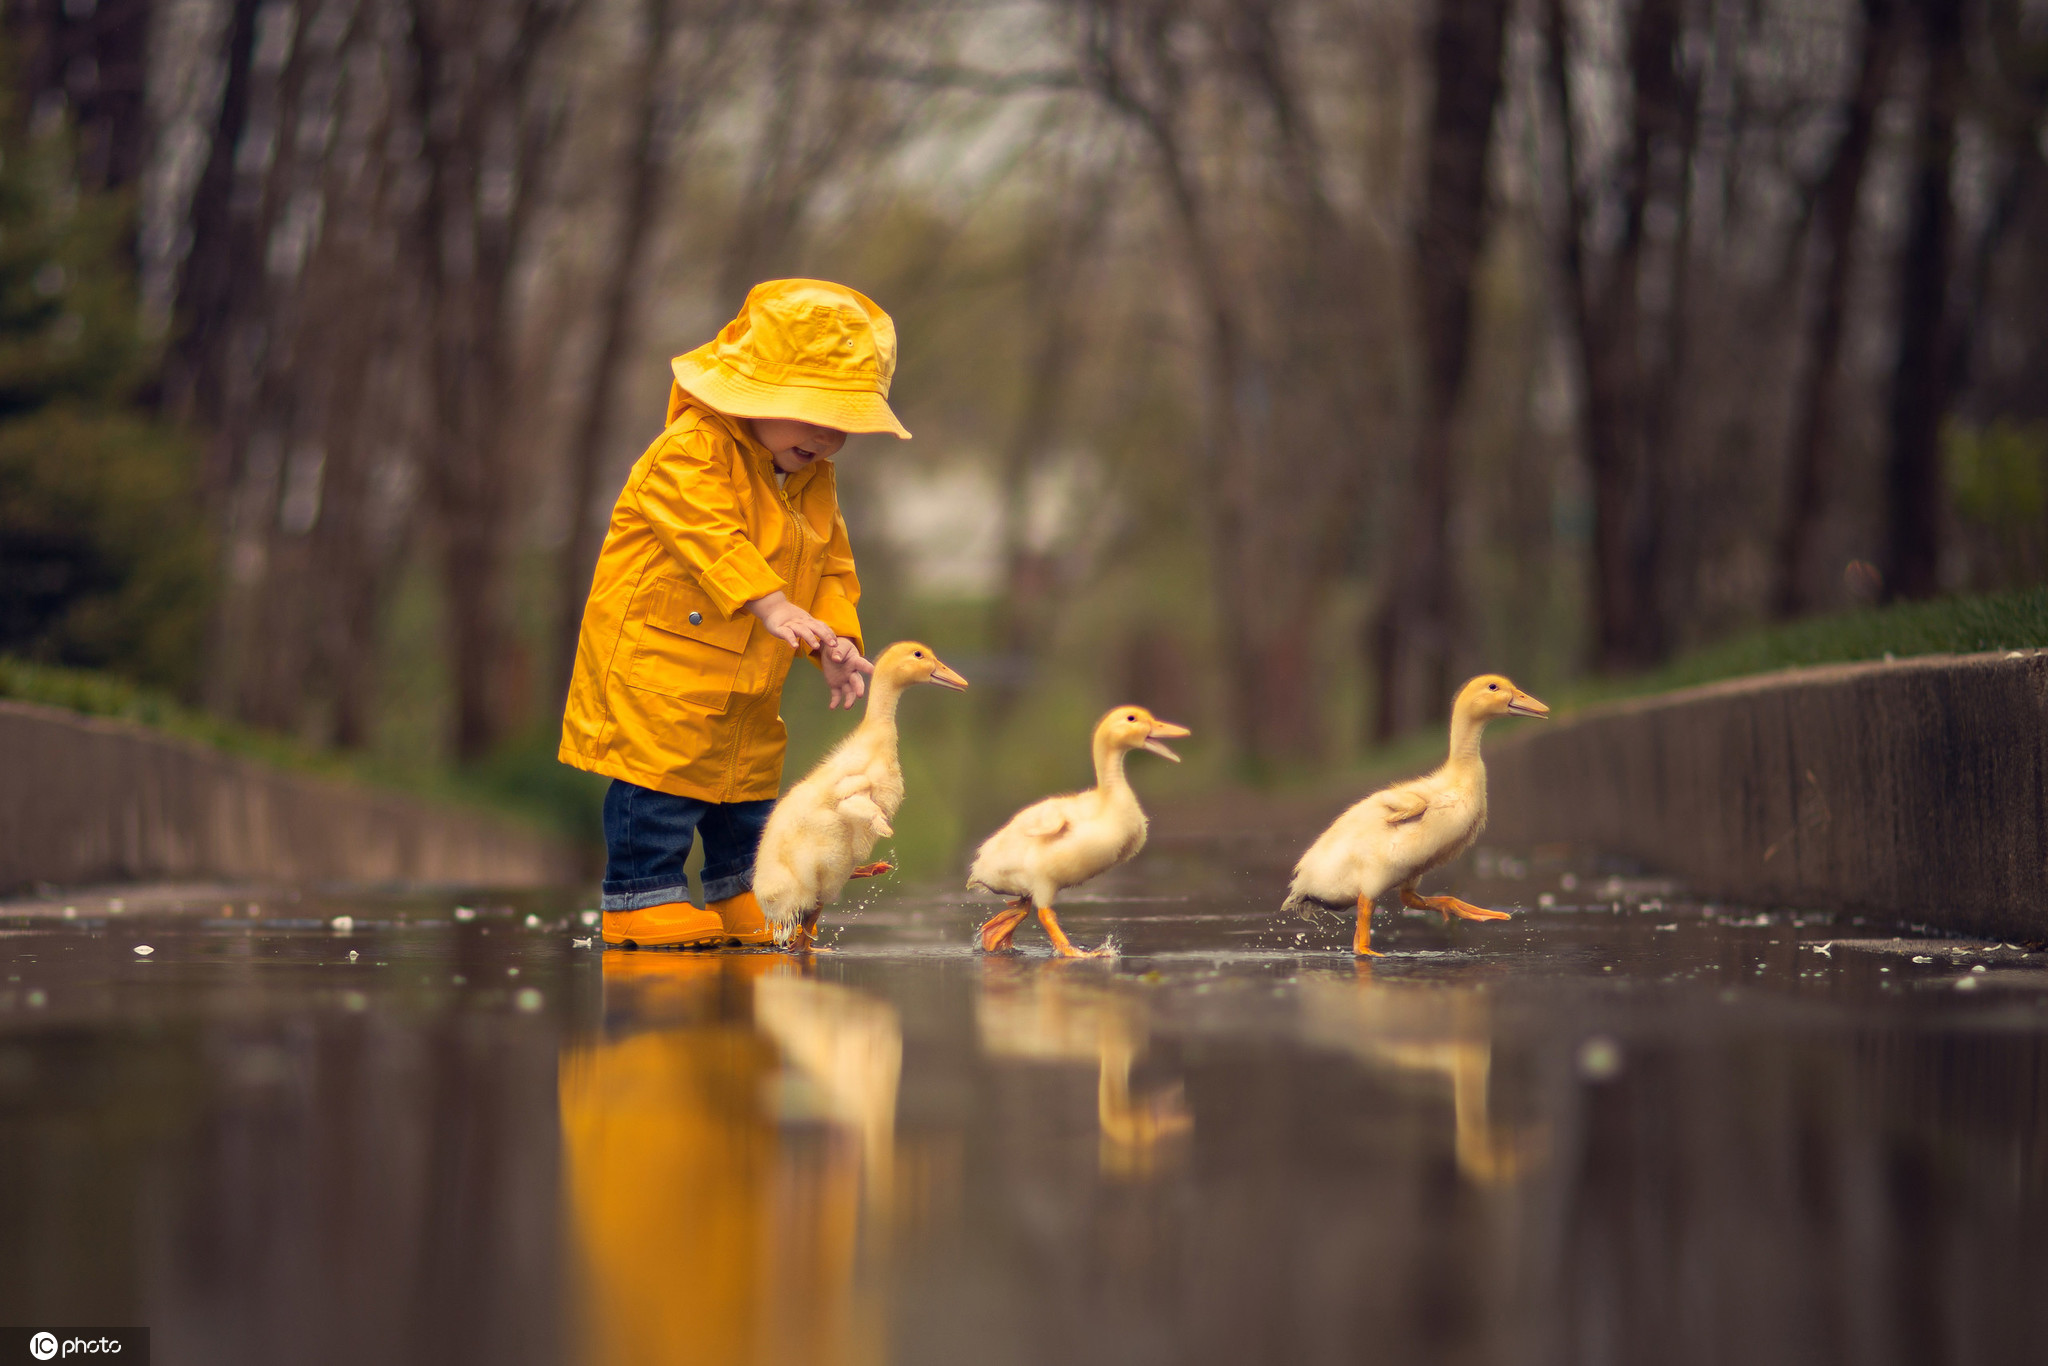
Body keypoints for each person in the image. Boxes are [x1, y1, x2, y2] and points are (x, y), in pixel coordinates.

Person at [559, 279, 910, 948]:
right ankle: (639, 897)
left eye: (844, 423)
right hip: (663, 664)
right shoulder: (689, 450)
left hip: (749, 674)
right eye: (813, 411)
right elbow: (709, 534)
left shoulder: (809, 481)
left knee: (745, 793)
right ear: (753, 390)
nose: (828, 436)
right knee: (659, 784)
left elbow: (831, 563)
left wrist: (832, 639)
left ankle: (740, 891)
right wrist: (770, 602)